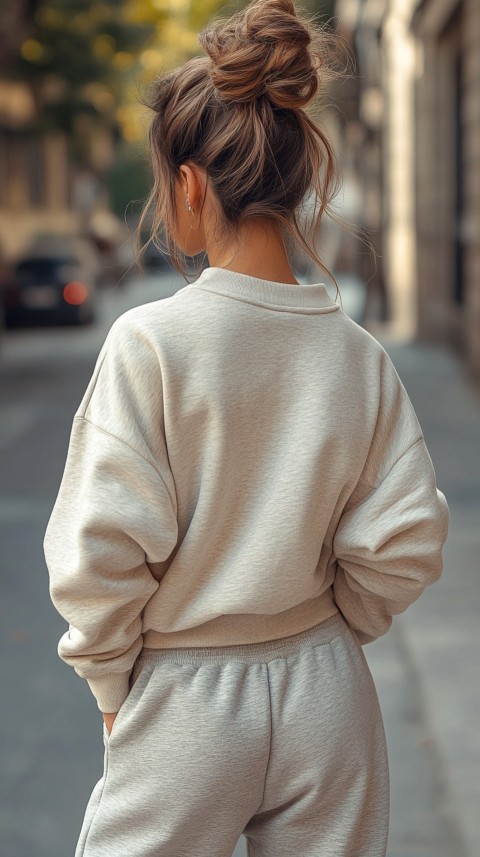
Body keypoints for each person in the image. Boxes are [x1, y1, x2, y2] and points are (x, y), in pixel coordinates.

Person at [44, 2, 449, 855]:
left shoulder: (150, 343)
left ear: (189, 185)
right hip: (328, 691)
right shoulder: (355, 353)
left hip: (185, 695)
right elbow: (407, 538)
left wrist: (114, 688)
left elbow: (101, 553)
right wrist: (332, 630)